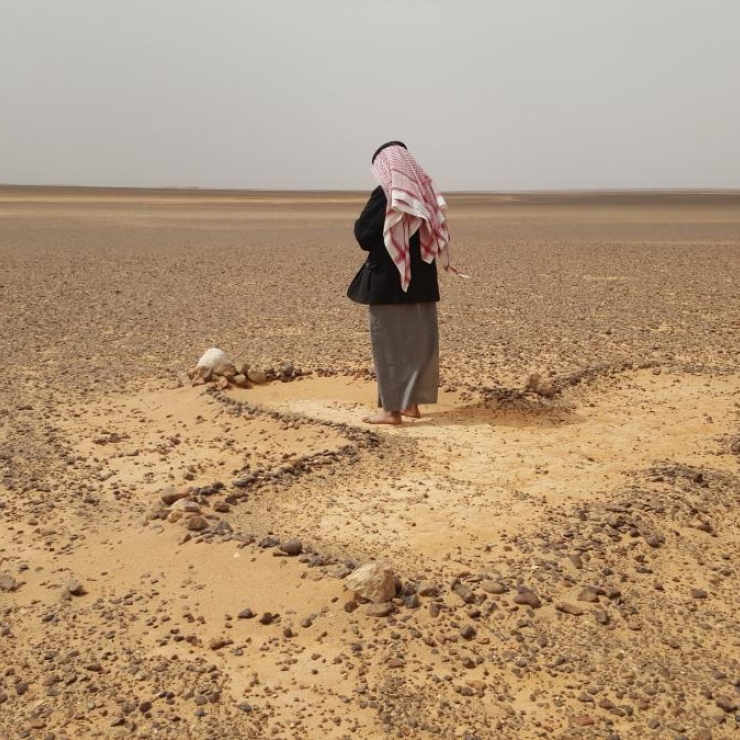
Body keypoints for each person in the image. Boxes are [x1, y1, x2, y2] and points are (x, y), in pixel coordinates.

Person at [347, 141, 459, 425]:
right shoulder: (424, 192)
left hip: (389, 282)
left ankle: (390, 410)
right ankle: (411, 404)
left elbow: (364, 234)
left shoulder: (387, 193)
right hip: (422, 280)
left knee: (390, 345)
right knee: (416, 343)